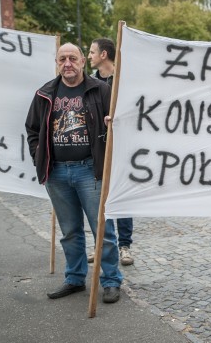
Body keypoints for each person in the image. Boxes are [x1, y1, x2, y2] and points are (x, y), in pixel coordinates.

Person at [25, 43, 123, 303]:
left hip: (90, 171)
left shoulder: (100, 89)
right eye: (62, 59)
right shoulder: (45, 93)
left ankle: (111, 280)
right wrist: (39, 156)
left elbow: (118, 122)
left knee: (102, 229)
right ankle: (75, 278)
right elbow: (32, 129)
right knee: (70, 230)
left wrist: (112, 123)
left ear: (82, 61)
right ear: (57, 62)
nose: (67, 63)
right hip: (56, 172)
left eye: (72, 58)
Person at [86, 37, 135, 266]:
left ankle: (124, 246)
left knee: (121, 195)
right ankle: (104, 245)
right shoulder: (91, 82)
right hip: (99, 147)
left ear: (104, 54)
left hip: (123, 146)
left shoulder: (125, 78)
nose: (89, 56)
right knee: (101, 198)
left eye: (92, 52)